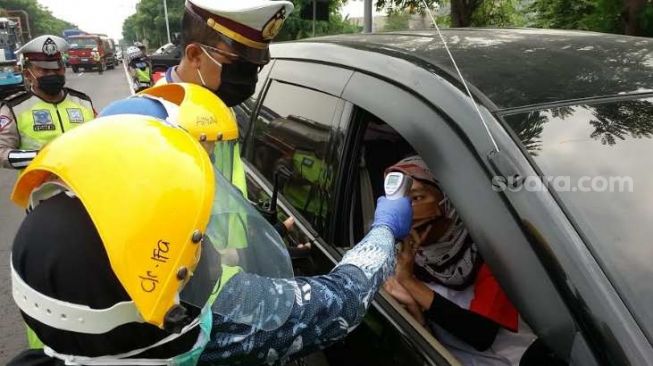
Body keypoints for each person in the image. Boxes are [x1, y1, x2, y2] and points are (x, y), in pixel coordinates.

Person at [7, 114, 413, 365]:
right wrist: (384, 229)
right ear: (155, 304)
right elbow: (340, 300)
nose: (202, 252)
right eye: (188, 256)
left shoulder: (66, 343)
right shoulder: (219, 335)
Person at [383, 156, 537, 366]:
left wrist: (410, 282)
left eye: (417, 198)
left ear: (448, 199)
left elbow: (481, 334)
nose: (408, 211)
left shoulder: (490, 249)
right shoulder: (399, 255)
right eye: (399, 201)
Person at [155, 0, 294, 195]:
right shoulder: (149, 124)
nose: (250, 77)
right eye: (239, 65)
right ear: (195, 55)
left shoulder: (222, 107)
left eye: (256, 67)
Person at [0, 35, 96, 170]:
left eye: (57, 69)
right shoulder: (14, 108)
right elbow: (2, 151)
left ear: (63, 69)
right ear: (28, 74)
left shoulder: (82, 101)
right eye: (44, 70)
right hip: (42, 189)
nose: (52, 74)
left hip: (84, 184)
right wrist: (40, 157)